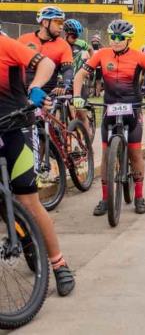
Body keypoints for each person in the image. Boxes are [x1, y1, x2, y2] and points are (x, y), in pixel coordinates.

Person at [0, 33, 76, 296]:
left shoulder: (5, 44)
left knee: (28, 200)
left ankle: (59, 263)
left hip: (15, 128)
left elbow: (46, 64)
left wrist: (36, 88)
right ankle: (24, 237)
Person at [73, 20, 145, 215]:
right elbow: (80, 75)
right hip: (110, 107)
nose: (116, 41)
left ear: (129, 40)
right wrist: (77, 96)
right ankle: (104, 198)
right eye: (113, 37)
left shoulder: (139, 56)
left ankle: (140, 196)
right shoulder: (101, 54)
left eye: (120, 38)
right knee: (106, 155)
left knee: (135, 154)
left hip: (132, 108)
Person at [18, 6, 74, 97]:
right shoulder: (23, 40)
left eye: (62, 23)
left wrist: (64, 85)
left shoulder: (64, 45)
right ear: (45, 22)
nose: (61, 27)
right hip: (23, 91)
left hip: (49, 93)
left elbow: (67, 69)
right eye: (58, 22)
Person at [63, 18, 92, 134]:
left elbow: (90, 49)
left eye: (77, 36)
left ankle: (88, 138)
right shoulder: (60, 44)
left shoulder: (80, 43)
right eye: (73, 37)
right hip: (64, 78)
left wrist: (91, 65)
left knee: (81, 113)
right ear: (66, 34)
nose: (76, 39)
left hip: (78, 79)